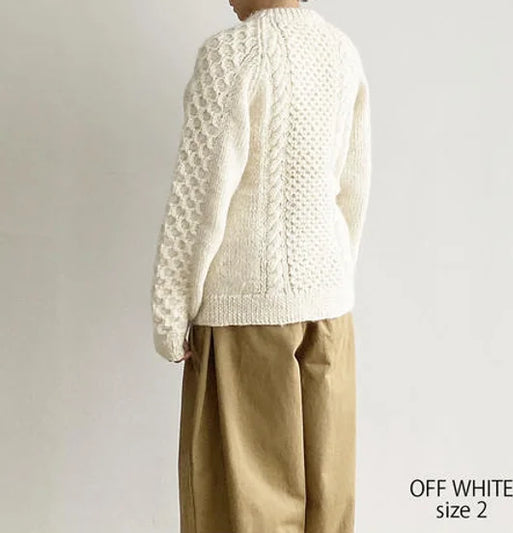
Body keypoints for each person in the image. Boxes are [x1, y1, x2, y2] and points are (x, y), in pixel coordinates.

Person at [149, 0, 372, 531]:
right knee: (328, 499)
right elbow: (354, 186)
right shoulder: (342, 51)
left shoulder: (233, 53)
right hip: (329, 309)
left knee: (246, 506)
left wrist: (170, 311)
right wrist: (332, 274)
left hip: (246, 311)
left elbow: (199, 195)